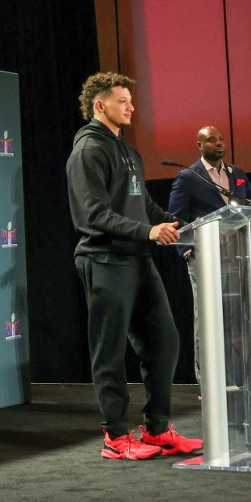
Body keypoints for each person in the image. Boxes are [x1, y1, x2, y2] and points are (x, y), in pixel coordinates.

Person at [66, 73, 203, 460]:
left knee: (164, 341)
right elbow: (92, 215)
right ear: (99, 105)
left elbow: (143, 205)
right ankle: (115, 436)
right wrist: (148, 231)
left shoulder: (128, 152)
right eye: (122, 100)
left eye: (130, 100)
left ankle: (157, 430)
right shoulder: (88, 151)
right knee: (109, 351)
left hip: (137, 259)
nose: (130, 107)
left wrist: (180, 225)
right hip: (104, 258)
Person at [167, 126, 251, 382]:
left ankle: (240, 377)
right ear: (199, 145)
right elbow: (176, 220)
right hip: (204, 259)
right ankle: (206, 380)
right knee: (207, 318)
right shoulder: (188, 177)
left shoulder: (236, 173)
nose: (218, 143)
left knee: (238, 317)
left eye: (221, 139)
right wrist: (187, 252)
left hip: (238, 256)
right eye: (210, 140)